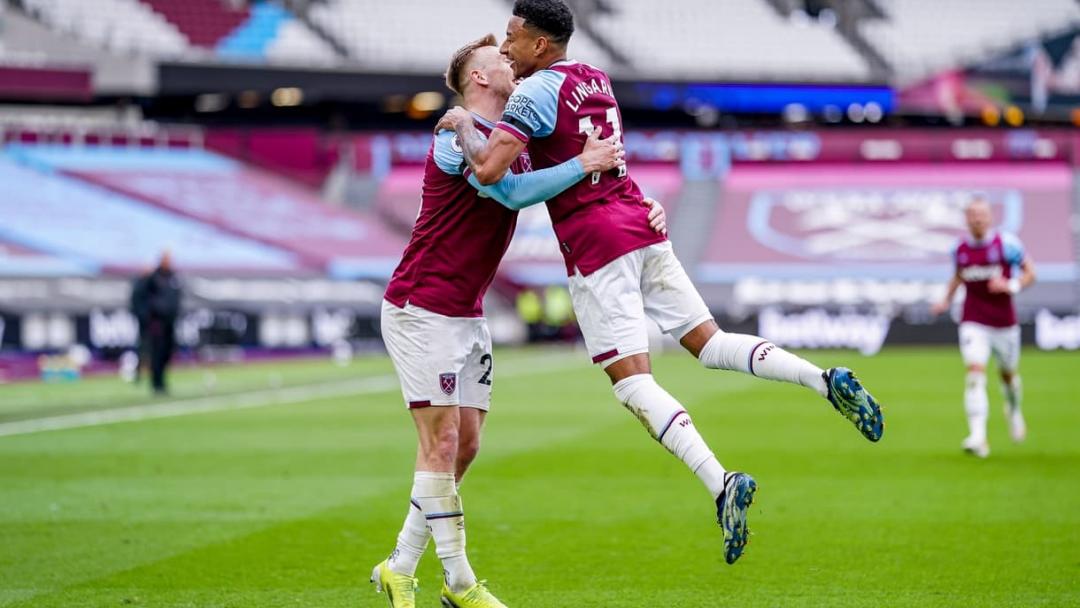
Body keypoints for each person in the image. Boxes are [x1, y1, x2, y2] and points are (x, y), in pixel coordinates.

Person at [437, 0, 884, 566]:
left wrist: (459, 123)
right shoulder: (594, 77)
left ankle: (721, 483)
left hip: (597, 243)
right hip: (640, 222)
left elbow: (489, 171)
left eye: (512, 36)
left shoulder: (531, 93)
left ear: (540, 45)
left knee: (632, 382)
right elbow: (605, 154)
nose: (506, 47)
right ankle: (825, 380)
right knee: (712, 342)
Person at [373, 34, 666, 608]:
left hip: (465, 311)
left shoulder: (514, 141)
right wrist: (581, 161)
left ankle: (398, 565)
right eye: (498, 60)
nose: (510, 62)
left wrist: (644, 204)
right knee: (442, 443)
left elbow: (581, 180)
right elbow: (505, 194)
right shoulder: (455, 138)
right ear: (479, 80)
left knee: (466, 447)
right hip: (422, 306)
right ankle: (460, 584)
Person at [931, 198, 1036, 458]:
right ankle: (978, 437)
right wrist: (945, 299)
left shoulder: (1007, 244)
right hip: (973, 321)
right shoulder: (960, 249)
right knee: (975, 373)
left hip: (1004, 323)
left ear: (990, 218)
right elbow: (958, 275)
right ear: (966, 219)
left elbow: (1030, 273)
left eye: (982, 214)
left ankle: (1013, 410)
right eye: (972, 215)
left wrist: (1011, 286)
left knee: (1008, 376)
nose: (977, 219)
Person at [131, 252, 182, 395]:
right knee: (156, 353)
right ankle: (156, 384)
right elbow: (140, 295)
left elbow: (176, 297)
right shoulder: (153, 277)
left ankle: (162, 381)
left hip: (170, 322)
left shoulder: (173, 277)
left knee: (167, 353)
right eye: (166, 260)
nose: (169, 262)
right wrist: (147, 314)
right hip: (156, 322)